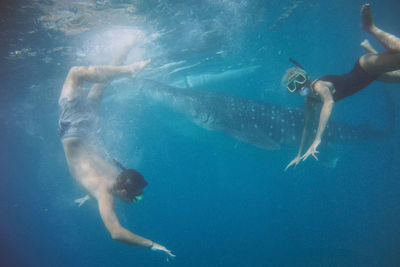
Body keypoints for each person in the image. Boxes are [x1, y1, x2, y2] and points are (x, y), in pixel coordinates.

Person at [58, 45, 175, 257]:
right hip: (73, 129)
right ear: (122, 190)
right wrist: (153, 245)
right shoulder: (105, 192)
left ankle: (124, 47)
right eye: (136, 197)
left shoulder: (117, 174)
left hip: (87, 127)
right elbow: (116, 233)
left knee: (100, 86)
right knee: (75, 73)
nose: (136, 201)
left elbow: (89, 176)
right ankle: (128, 69)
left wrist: (88, 195)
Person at [284, 3, 400, 171]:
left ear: (307, 77)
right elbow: (307, 127)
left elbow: (328, 104)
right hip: (371, 77)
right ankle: (371, 49)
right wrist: (299, 153)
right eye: (293, 86)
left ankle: (370, 28)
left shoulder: (319, 86)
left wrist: (318, 140)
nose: (300, 85)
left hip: (364, 67)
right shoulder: (310, 100)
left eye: (300, 79)